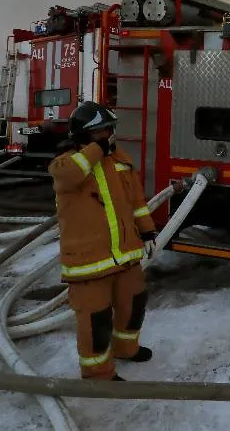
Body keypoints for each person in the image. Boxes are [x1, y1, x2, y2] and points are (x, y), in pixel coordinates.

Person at [49, 101, 200, 381]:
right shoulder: (65, 163)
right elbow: (69, 175)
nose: (109, 134)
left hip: (126, 255)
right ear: (84, 134)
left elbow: (136, 202)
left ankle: (126, 348)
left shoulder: (120, 159)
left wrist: (146, 230)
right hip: (89, 263)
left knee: (134, 304)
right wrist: (95, 150)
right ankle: (98, 373)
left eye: (110, 129)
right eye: (103, 130)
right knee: (96, 320)